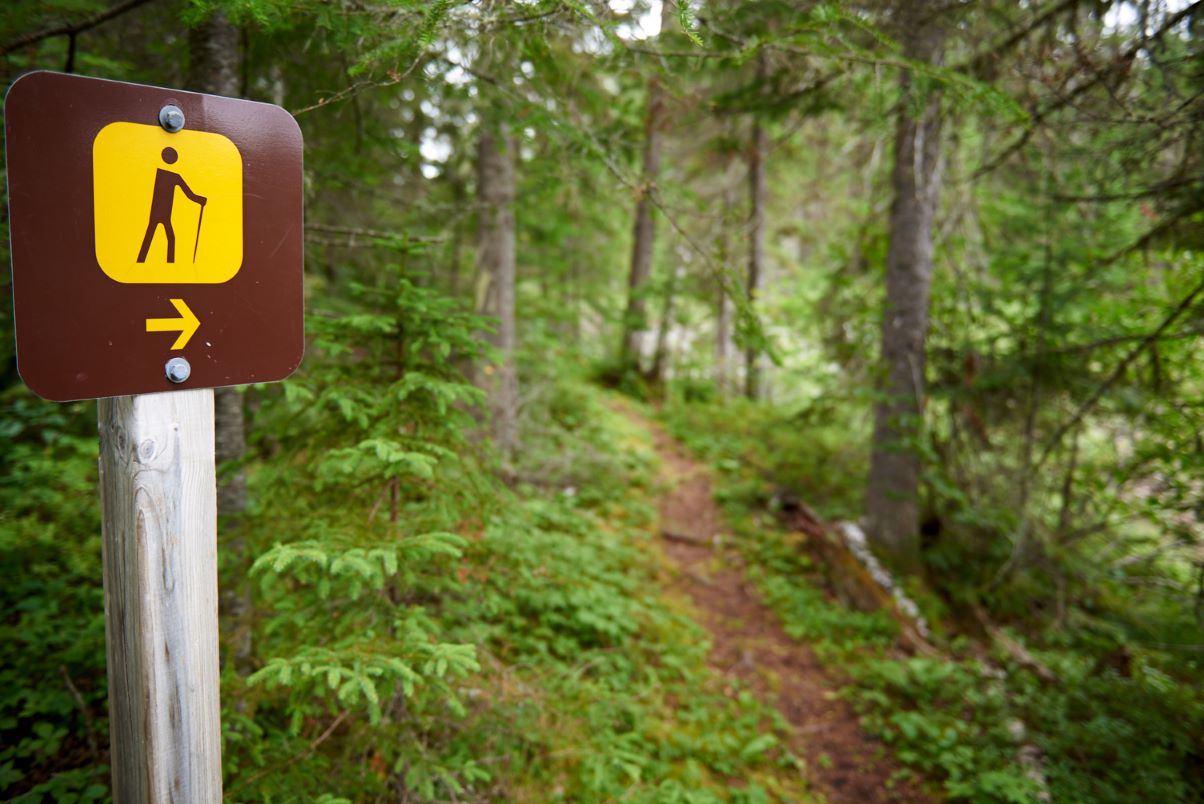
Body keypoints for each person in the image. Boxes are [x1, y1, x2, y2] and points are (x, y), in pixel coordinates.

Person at [136, 146, 206, 263]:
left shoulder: (164, 174)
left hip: (160, 213)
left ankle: (143, 260)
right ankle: (164, 262)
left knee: (156, 236)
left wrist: (199, 199)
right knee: (167, 238)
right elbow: (190, 194)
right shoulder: (171, 176)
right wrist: (200, 200)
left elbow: (189, 194)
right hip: (161, 213)